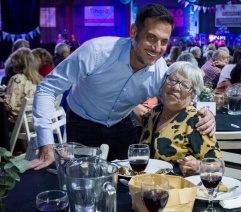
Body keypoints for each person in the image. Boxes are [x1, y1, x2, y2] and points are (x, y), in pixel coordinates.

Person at [28, 4, 215, 170]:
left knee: (128, 180)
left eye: (164, 42)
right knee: (82, 179)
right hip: (82, 121)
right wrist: (46, 144)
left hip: (121, 123)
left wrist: (204, 112)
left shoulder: (160, 71)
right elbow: (47, 89)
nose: (157, 48)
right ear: (134, 31)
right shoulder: (96, 52)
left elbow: (178, 98)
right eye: (151, 38)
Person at [139, 61, 222, 176]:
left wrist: (198, 166)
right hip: (146, 186)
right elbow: (134, 112)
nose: (176, 88)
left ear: (193, 94)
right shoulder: (155, 112)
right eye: (172, 80)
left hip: (177, 189)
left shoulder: (196, 121)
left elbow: (220, 165)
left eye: (185, 86)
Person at [1, 47, 42, 154]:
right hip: (38, 120)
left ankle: (7, 153)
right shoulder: (39, 79)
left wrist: (3, 100)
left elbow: (11, 107)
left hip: (23, 123)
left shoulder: (17, 78)